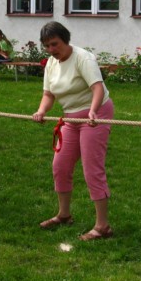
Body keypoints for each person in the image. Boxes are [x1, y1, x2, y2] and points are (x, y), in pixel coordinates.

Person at [33, 21, 115, 241]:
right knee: (60, 165)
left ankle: (102, 226)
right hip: (70, 118)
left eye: (55, 44)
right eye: (47, 46)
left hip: (95, 114)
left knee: (92, 168)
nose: (51, 49)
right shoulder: (51, 63)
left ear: (65, 40)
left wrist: (93, 111)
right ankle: (64, 214)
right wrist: (41, 111)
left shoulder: (83, 58)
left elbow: (97, 87)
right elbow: (48, 94)